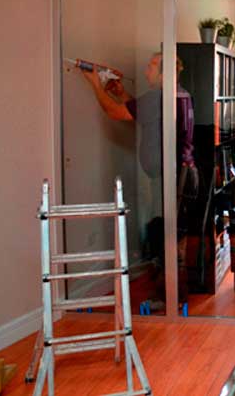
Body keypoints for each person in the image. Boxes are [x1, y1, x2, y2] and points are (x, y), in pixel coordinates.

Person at [82, 52, 197, 309]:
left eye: (151, 66)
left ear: (165, 72)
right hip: (182, 175)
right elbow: (141, 113)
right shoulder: (179, 94)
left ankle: (168, 299)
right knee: (173, 236)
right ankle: (175, 297)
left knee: (164, 236)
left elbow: (115, 112)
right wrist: (122, 93)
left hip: (172, 178)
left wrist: (95, 84)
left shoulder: (159, 97)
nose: (146, 71)